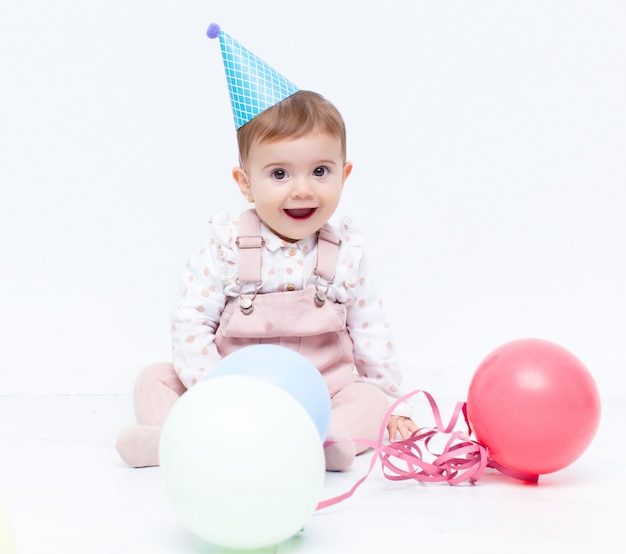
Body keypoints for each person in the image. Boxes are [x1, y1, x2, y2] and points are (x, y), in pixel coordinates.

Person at [116, 25, 418, 472]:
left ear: (344, 173)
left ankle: (320, 441)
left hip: (321, 393)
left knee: (370, 398)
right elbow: (191, 324)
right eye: (279, 174)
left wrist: (392, 402)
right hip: (232, 392)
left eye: (320, 171)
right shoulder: (225, 249)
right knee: (155, 377)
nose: (302, 189)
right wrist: (212, 390)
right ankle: (178, 434)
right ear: (245, 183)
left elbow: (371, 330)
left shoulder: (346, 254)